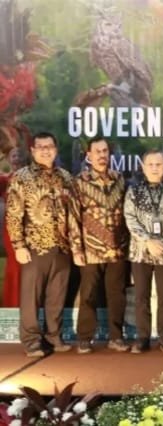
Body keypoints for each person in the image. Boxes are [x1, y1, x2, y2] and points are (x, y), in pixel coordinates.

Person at [6, 132, 82, 357]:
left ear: (56, 150)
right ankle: (31, 341)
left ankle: (54, 336)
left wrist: (76, 245)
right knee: (32, 297)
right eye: (41, 147)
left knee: (57, 296)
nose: (46, 151)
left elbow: (74, 214)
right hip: (34, 246)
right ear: (32, 151)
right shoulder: (22, 177)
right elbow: (13, 214)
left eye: (49, 146)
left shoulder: (66, 177)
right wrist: (19, 245)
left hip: (62, 246)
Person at [75, 136, 130, 354]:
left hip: (117, 248)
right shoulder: (80, 181)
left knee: (117, 294)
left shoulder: (119, 179)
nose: (102, 155)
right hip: (91, 248)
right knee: (88, 294)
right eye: (97, 151)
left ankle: (116, 337)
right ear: (89, 155)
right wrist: (77, 248)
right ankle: (84, 338)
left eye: (105, 151)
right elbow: (73, 217)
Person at [124, 150, 163, 354]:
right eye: (151, 164)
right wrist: (148, 241)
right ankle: (142, 338)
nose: (155, 168)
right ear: (143, 167)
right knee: (141, 296)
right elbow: (130, 218)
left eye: (159, 164)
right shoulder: (133, 191)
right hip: (141, 251)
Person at [1, 147, 23, 307]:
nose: (16, 158)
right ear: (8, 160)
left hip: (30, 229)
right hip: (11, 231)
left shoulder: (33, 179)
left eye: (19, 155)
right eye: (13, 156)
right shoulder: (5, 180)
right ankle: (12, 306)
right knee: (14, 267)